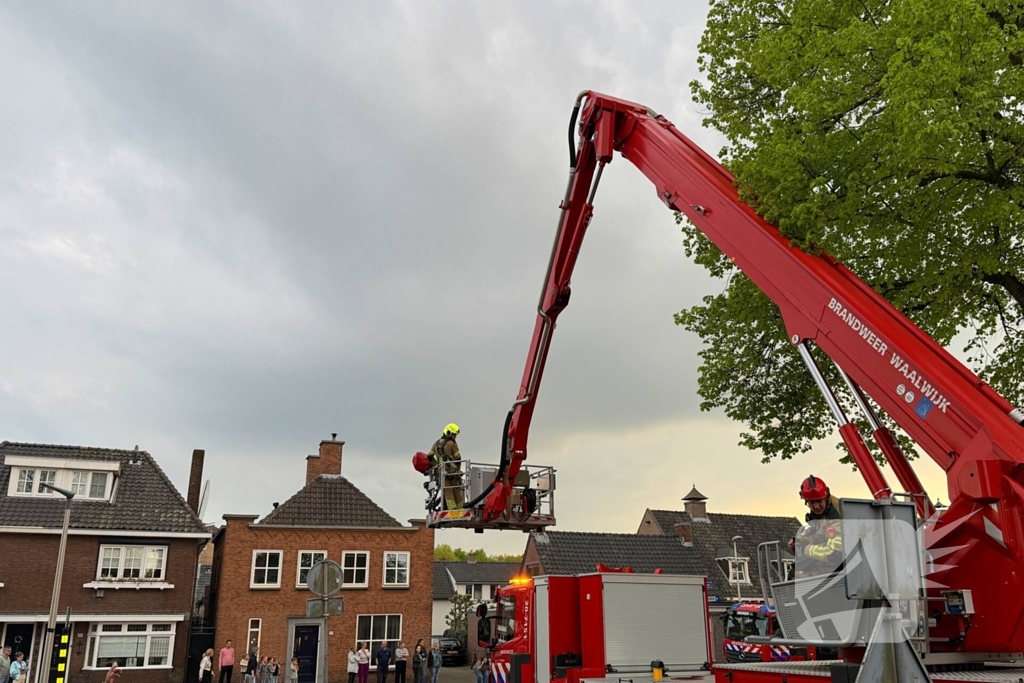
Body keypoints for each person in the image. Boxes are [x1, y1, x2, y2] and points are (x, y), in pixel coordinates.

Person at [788, 474, 843, 578]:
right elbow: (815, 535)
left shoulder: (835, 518)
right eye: (812, 502)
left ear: (826, 498)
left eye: (819, 501)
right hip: (829, 565)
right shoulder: (819, 515)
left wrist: (805, 550)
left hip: (839, 568)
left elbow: (834, 554)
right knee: (795, 569)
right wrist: (798, 541)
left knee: (799, 576)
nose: (816, 506)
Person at [427, 423, 464, 510]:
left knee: (448, 492)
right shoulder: (452, 444)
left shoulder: (435, 444)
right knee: (457, 492)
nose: (455, 437)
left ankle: (452, 510)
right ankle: (461, 509)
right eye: (454, 435)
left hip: (442, 473)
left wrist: (437, 465)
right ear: (448, 433)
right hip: (453, 473)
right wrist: (458, 470)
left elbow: (429, 456)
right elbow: (458, 458)